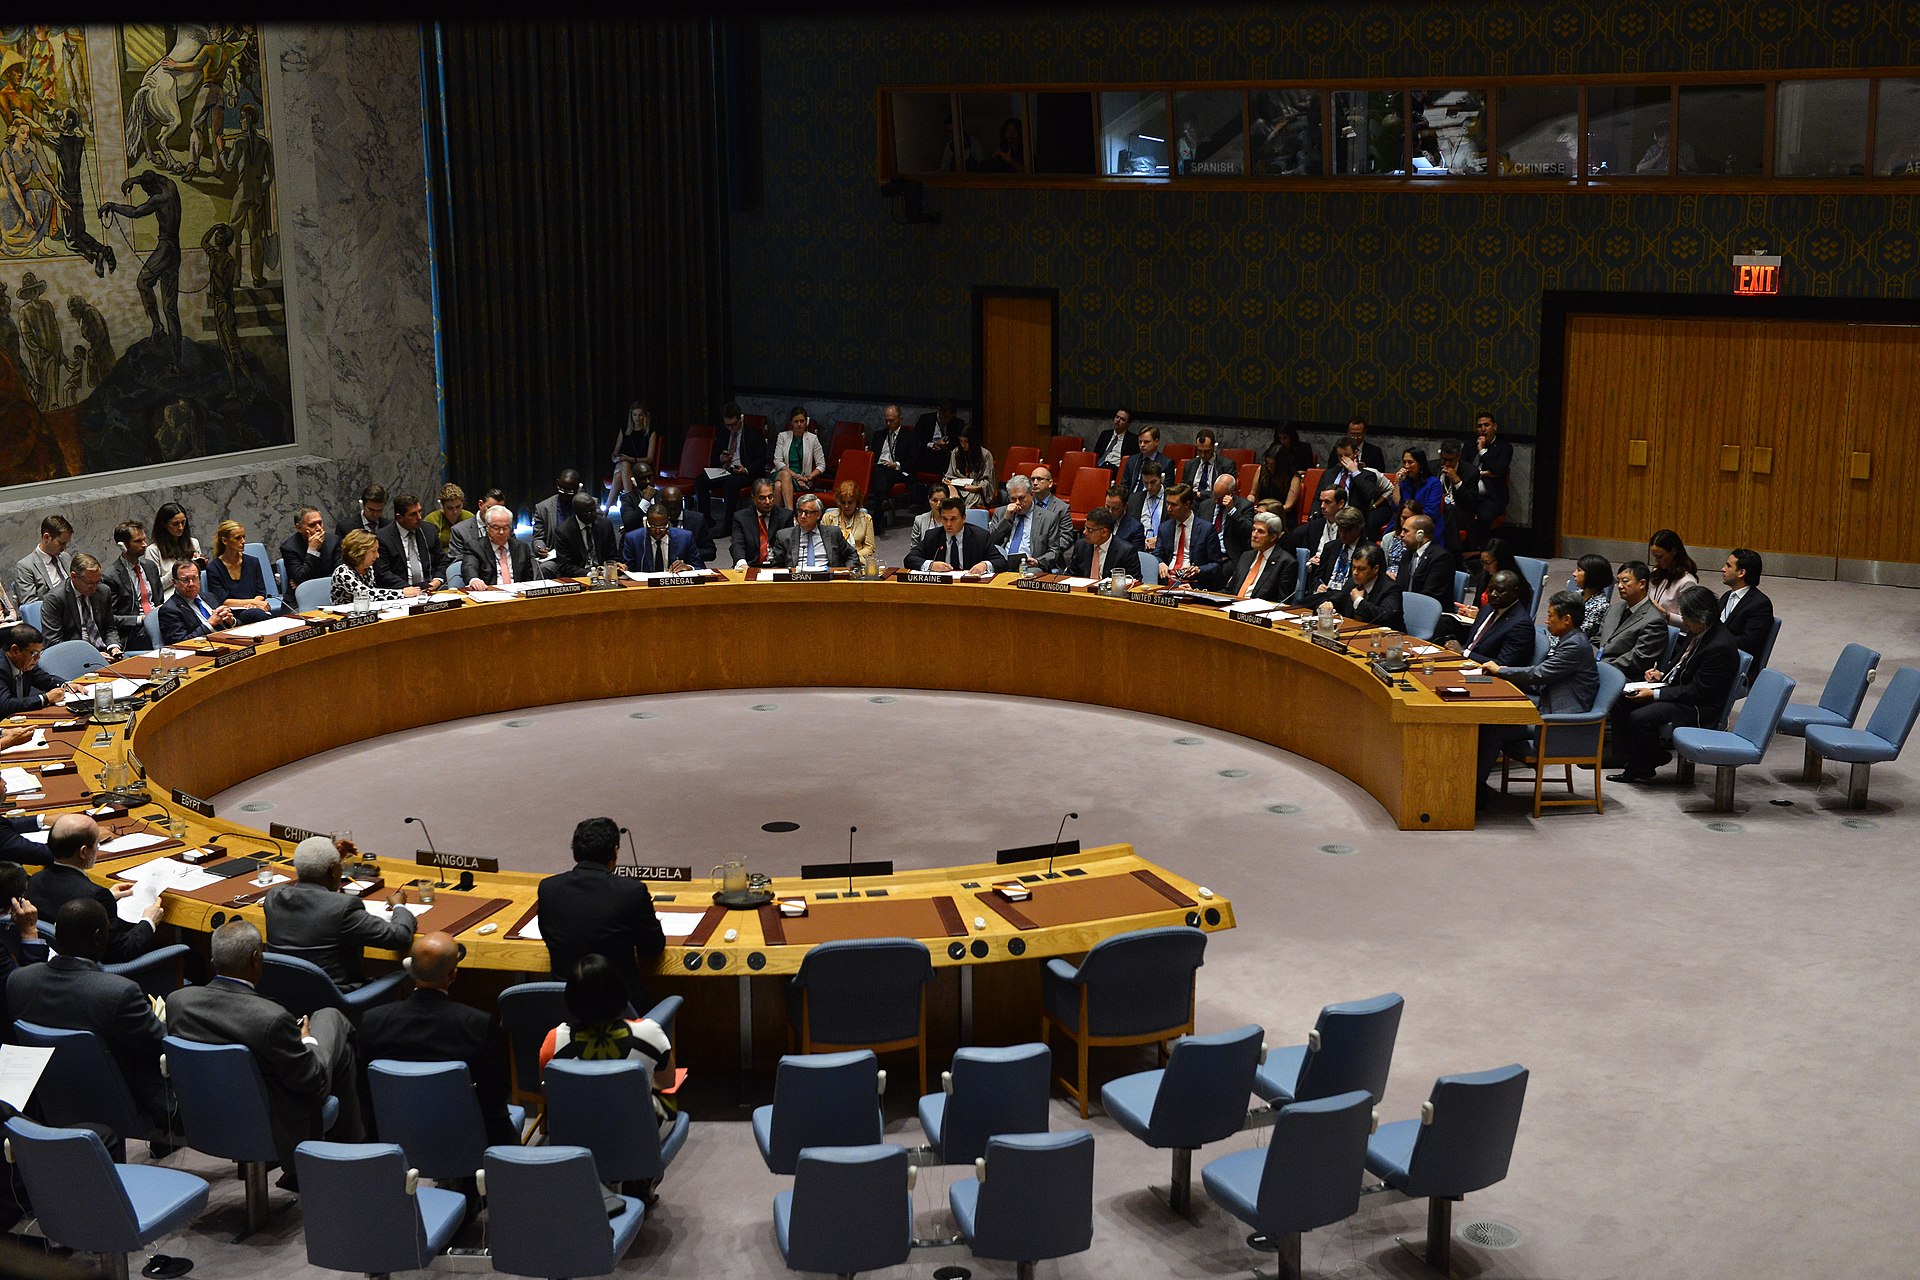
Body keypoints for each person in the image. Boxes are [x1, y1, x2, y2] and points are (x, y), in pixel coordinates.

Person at [167, 919, 364, 1189]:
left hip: (207, 1114)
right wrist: (307, 1041)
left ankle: (339, 1160)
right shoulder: (271, 1019)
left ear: (214, 960)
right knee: (332, 1021)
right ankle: (350, 1159)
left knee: (337, 1045)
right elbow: (313, 1083)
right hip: (273, 1122)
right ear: (256, 958)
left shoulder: (179, 1002)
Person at [7, 899, 170, 1132]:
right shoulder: (118, 992)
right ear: (97, 937)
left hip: (49, 1098)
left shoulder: (19, 981)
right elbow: (160, 1044)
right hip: (117, 1100)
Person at [357, 931, 517, 1147]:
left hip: (394, 1139)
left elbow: (364, 1091)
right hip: (464, 1143)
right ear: (453, 975)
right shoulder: (477, 1025)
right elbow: (497, 1092)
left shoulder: (373, 1022)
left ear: (411, 970)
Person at [538, 954, 677, 1145]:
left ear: (570, 999)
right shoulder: (650, 1034)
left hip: (576, 1137)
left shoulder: (554, 1042)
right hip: (637, 1138)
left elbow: (550, 1095)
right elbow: (667, 1082)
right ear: (620, 993)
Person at [1610, 584, 1740, 784]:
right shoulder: (1698, 630)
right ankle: (1634, 757)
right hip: (1680, 691)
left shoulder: (1719, 646)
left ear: (1702, 616)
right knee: (1621, 699)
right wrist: (1661, 675)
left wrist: (1653, 694)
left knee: (1640, 717)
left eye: (1686, 616)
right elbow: (1681, 664)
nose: (1684, 622)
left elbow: (1698, 692)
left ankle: (1643, 764)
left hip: (1698, 706)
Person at [1477, 591, 1600, 802]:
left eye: (1551, 615)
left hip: (1559, 723)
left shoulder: (1575, 646)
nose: (1546, 620)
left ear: (1567, 619)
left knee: (1492, 727)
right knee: (1489, 720)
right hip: (1548, 706)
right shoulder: (1569, 639)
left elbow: (1539, 674)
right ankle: (1475, 785)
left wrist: (1501, 670)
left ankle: (1475, 790)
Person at [536, 818, 666, 1010]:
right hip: (620, 1008)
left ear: (575, 852)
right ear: (615, 851)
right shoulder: (632, 892)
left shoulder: (548, 888)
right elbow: (652, 949)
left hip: (567, 1006)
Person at [264, 836, 415, 992]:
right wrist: (399, 906)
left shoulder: (274, 897)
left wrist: (329, 861)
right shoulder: (343, 907)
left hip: (284, 994)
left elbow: (305, 890)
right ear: (335, 870)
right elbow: (399, 937)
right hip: (336, 999)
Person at [26, 814, 163, 964]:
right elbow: (120, 951)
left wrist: (106, 897)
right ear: (83, 852)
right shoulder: (97, 896)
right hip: (103, 975)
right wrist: (149, 921)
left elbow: (66, 899)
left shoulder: (34, 880)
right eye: (97, 844)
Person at [1595, 560, 1668, 682]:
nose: (1619, 586)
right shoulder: (1614, 609)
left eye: (1625, 581)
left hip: (1622, 676)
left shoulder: (1654, 621)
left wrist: (1600, 668)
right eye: (1618, 581)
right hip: (1597, 668)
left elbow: (1638, 659)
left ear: (1642, 584)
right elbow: (1597, 640)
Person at [36, 553, 122, 657]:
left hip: (105, 653)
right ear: (74, 576)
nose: (95, 588)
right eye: (90, 583)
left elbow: (110, 628)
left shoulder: (103, 591)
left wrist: (114, 646)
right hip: (75, 657)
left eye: (98, 582)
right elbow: (53, 642)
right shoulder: (55, 599)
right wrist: (91, 655)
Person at [1442, 570, 1533, 666]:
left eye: (1500, 591)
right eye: (1490, 590)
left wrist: (1464, 653)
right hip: (1464, 662)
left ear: (1515, 592)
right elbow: (1473, 641)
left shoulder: (1521, 625)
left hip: (1486, 673)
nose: (1493, 594)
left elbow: (1504, 664)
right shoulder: (1487, 608)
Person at [989, 475, 1067, 572]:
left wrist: (1038, 561)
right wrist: (1006, 519)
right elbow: (990, 542)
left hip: (1031, 566)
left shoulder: (1048, 518)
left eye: (1021, 498)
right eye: (1013, 499)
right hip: (1003, 563)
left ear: (1032, 495)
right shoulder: (1001, 512)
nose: (1017, 502)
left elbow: (1054, 551)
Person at [906, 497, 1002, 575]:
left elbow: (1001, 562)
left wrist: (985, 565)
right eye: (944, 519)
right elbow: (910, 559)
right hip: (941, 587)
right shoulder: (933, 536)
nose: (948, 524)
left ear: (963, 518)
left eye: (953, 519)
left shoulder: (980, 536)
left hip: (970, 587)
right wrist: (931, 565)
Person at [704, 402, 766, 520]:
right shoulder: (723, 432)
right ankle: (705, 521)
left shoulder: (753, 433)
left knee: (730, 484)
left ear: (740, 419)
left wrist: (746, 469)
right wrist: (722, 458)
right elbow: (714, 458)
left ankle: (728, 524)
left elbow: (761, 460)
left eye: (733, 424)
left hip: (744, 472)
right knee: (701, 480)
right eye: (728, 425)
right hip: (725, 470)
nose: (731, 428)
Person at [374, 494, 449, 591]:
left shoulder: (428, 530)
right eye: (413, 514)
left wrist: (437, 580)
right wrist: (408, 589)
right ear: (399, 517)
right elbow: (382, 573)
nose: (419, 517)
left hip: (431, 589)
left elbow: (442, 561)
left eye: (419, 511)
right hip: (400, 591)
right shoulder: (383, 537)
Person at [203, 519, 275, 620]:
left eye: (243, 537)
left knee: (258, 613)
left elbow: (261, 592)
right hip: (232, 612)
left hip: (255, 608)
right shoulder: (214, 568)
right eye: (238, 538)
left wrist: (254, 604)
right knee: (257, 615)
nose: (243, 541)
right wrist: (253, 603)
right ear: (225, 541)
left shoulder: (253, 562)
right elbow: (222, 600)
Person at [1719, 548, 1775, 672]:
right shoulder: (1726, 596)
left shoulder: (1760, 604)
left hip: (1735, 667)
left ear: (1741, 572)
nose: (1723, 569)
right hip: (1718, 657)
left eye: (1728, 566)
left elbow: (1747, 642)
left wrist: (1714, 638)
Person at [331, 529, 423, 605]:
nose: (377, 556)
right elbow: (366, 594)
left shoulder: (368, 569)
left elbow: (374, 591)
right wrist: (402, 593)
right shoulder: (342, 572)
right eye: (373, 551)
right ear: (360, 552)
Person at [104, 522, 162, 638]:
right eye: (138, 541)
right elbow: (111, 619)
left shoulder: (150, 566)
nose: (145, 545)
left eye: (144, 540)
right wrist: (141, 619)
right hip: (136, 630)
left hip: (159, 621)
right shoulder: (111, 576)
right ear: (123, 546)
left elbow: (159, 601)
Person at [1155, 483, 1219, 586]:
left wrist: (1199, 570)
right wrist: (1160, 563)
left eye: (1174, 504)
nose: (1169, 508)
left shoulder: (1206, 529)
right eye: (1168, 503)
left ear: (1187, 505)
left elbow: (1216, 565)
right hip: (1166, 578)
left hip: (1192, 582)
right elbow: (1157, 554)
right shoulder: (1164, 527)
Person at [773, 494, 859, 569]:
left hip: (827, 579)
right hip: (797, 581)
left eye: (807, 512)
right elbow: (776, 565)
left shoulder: (833, 533)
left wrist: (847, 571)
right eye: (800, 511)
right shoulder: (784, 536)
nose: (803, 516)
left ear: (818, 515)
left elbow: (852, 555)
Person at [1224, 510, 1295, 601]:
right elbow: (1229, 590)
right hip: (1231, 606)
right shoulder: (1246, 556)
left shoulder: (1286, 562)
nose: (1254, 535)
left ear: (1273, 537)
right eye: (1254, 530)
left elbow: (1282, 602)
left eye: (1260, 531)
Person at [1464, 413, 1513, 542]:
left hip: (1491, 496)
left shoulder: (1504, 447)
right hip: (1469, 494)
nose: (1483, 429)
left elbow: (1499, 470)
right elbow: (1463, 469)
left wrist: (1482, 451)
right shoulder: (1469, 446)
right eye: (1480, 426)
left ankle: (1480, 548)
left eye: (1487, 425)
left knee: (1484, 516)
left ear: (1494, 427)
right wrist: (1485, 473)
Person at [1331, 542, 1403, 630]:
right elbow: (1339, 599)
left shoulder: (1391, 588)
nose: (1355, 573)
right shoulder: (1352, 582)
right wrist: (1330, 603)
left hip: (1386, 638)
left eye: (1361, 569)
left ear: (1375, 569)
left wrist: (1359, 601)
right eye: (1353, 567)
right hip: (1354, 632)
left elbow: (1384, 617)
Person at [158, 561, 236, 641]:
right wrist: (210, 624)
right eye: (185, 580)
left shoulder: (210, 597)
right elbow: (179, 642)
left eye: (195, 578)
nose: (191, 584)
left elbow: (237, 624)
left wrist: (231, 621)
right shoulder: (170, 610)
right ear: (174, 582)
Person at [0, 623, 68, 713]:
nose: (38, 658)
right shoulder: (2, 668)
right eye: (34, 653)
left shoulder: (24, 663)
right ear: (15, 650)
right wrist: (45, 698)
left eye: (39, 653)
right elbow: (6, 705)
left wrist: (67, 685)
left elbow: (43, 678)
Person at [463, 506, 538, 587]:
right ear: (487, 527)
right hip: (490, 593)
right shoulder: (475, 547)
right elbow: (469, 567)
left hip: (518, 595)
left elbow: (528, 578)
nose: (501, 532)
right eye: (496, 527)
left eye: (505, 528)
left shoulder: (522, 548)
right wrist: (474, 580)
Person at [866, 404, 917, 522]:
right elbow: (873, 456)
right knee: (877, 471)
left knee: (884, 477)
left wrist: (896, 464)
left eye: (892, 420)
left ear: (900, 419)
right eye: (886, 420)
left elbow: (913, 462)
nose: (888, 424)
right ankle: (883, 501)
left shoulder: (910, 436)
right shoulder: (879, 435)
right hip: (880, 468)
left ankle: (878, 513)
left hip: (899, 470)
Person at [550, 492, 620, 578]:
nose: (593, 514)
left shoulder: (605, 524)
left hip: (604, 574)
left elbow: (612, 555)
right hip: (579, 576)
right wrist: (591, 574)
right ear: (576, 512)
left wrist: (612, 567)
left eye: (594, 510)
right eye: (588, 512)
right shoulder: (563, 531)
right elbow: (565, 566)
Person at [729, 479, 794, 571]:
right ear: (753, 498)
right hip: (751, 565)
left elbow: (790, 546)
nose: (768, 502)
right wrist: (742, 563)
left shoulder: (785, 516)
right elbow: (737, 544)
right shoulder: (741, 517)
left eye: (770, 497)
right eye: (762, 498)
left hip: (777, 566)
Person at [1304, 505, 1367, 600]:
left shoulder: (1369, 551)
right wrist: (1318, 585)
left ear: (1358, 529)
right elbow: (1317, 576)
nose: (1342, 535)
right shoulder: (1330, 547)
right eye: (1340, 530)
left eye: (1347, 531)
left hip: (1348, 598)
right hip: (1325, 595)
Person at [1394, 513, 1456, 607]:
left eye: (1406, 531)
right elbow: (1399, 587)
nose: (1401, 535)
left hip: (1429, 613)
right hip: (1406, 609)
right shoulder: (1407, 555)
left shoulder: (1441, 558)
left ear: (1420, 534)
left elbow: (1430, 595)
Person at [144, 502, 203, 599]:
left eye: (183, 522)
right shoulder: (153, 550)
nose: (180, 527)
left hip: (195, 595)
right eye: (175, 524)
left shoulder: (193, 543)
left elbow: (198, 578)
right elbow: (155, 588)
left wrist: (200, 565)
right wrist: (178, 571)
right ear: (164, 525)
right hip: (170, 598)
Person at [8, 515, 71, 605]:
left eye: (66, 543)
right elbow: (30, 605)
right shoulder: (25, 566)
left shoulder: (65, 557)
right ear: (46, 538)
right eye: (61, 543)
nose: (64, 548)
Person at [771, 407, 826, 511]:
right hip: (781, 473)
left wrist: (808, 478)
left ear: (806, 422)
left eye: (802, 421)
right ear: (791, 423)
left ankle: (777, 521)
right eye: (796, 421)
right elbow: (778, 461)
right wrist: (796, 476)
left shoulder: (813, 439)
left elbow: (821, 465)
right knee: (784, 474)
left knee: (778, 486)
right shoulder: (782, 436)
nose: (799, 424)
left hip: (802, 478)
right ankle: (790, 512)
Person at [1389, 449, 1446, 547]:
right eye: (1404, 462)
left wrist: (1409, 520)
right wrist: (1397, 483)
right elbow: (1397, 507)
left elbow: (1431, 512)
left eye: (1410, 462)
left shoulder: (1433, 483)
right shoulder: (1404, 481)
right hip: (1402, 522)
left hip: (1424, 524)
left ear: (1420, 464)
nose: (1406, 466)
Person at [1065, 506, 1141, 580]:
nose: (1085, 532)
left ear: (1104, 532)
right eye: (1085, 527)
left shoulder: (1126, 551)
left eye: (1090, 530)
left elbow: (1134, 582)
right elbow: (1070, 575)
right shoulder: (1081, 546)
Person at [1205, 474, 1254, 587]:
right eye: (1215, 496)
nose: (1216, 501)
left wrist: (1232, 511)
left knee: (1220, 576)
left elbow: (1248, 531)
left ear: (1231, 494)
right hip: (1206, 555)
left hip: (1228, 557)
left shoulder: (1244, 506)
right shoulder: (1205, 505)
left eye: (1220, 498)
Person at [280, 506, 342, 591]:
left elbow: (340, 574)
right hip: (299, 598)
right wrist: (312, 550)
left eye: (320, 523)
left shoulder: (334, 541)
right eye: (312, 525)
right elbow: (301, 578)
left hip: (331, 592)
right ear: (299, 528)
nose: (319, 528)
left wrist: (311, 584)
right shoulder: (289, 548)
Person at [446, 489, 508, 574]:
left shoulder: (505, 527)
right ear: (480, 504)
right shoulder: (460, 530)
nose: (495, 513)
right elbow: (456, 562)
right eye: (490, 508)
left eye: (500, 509)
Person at [626, 505, 701, 573]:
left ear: (668, 522)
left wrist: (689, 568)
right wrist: (623, 568)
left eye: (662, 526)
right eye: (652, 526)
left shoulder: (685, 538)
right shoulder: (633, 539)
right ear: (645, 523)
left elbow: (700, 568)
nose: (657, 531)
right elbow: (627, 570)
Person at [1645, 529, 1699, 624]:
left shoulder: (1687, 582)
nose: (1657, 561)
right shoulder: (1657, 572)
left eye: (1660, 556)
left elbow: (1692, 623)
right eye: (1655, 557)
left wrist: (1666, 614)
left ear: (1673, 551)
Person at [822, 480, 876, 572]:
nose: (846, 506)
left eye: (850, 502)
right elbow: (822, 544)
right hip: (834, 562)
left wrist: (853, 557)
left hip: (858, 561)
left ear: (857, 502)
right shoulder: (828, 517)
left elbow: (870, 547)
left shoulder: (866, 519)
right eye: (843, 502)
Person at [610, 401, 659, 500]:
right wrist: (615, 458)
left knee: (620, 474)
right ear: (631, 416)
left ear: (645, 416)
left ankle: (610, 508)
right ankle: (631, 501)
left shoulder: (650, 432)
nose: (637, 418)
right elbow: (615, 453)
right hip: (624, 464)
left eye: (640, 415)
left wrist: (630, 459)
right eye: (634, 415)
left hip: (642, 467)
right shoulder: (624, 431)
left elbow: (649, 459)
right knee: (624, 464)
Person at [656, 487, 716, 566]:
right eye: (669, 508)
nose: (673, 512)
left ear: (682, 503)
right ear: (662, 504)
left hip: (690, 567)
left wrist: (687, 555)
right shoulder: (655, 521)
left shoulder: (697, 520)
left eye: (676, 507)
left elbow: (711, 552)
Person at [1436, 439, 1477, 552]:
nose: (1447, 464)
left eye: (1451, 460)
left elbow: (1471, 503)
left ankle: (1454, 554)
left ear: (1458, 456)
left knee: (1450, 510)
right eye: (1444, 459)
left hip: (1460, 513)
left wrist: (1457, 482)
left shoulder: (1471, 472)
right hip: (1435, 510)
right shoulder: (1432, 467)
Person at [530, 471, 583, 558]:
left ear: (578, 488)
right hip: (556, 556)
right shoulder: (543, 508)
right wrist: (539, 549)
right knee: (543, 569)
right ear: (557, 482)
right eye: (561, 488)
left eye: (569, 491)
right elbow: (538, 538)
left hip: (583, 555)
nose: (564, 493)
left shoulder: (589, 504)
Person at [1124, 461, 1170, 554]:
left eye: (1153, 482)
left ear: (1161, 478)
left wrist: (1158, 540)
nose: (1149, 487)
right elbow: (1128, 526)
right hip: (1138, 548)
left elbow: (1175, 527)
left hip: (1163, 548)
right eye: (1146, 483)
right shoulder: (1134, 499)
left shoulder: (1171, 498)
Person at [942, 427, 995, 509]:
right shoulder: (956, 452)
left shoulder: (985, 455)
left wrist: (978, 488)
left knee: (973, 498)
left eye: (966, 441)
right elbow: (950, 475)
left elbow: (988, 480)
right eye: (961, 441)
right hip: (957, 488)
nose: (963, 445)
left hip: (975, 488)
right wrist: (949, 484)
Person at [1570, 554, 1614, 641]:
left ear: (1591, 575)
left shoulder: (1600, 605)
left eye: (1579, 570)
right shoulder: (1578, 594)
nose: (1574, 574)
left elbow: (1581, 634)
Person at [1120, 425, 1173, 496]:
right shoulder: (1132, 460)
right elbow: (1124, 486)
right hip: (1131, 499)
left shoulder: (1166, 463)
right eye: (1140, 442)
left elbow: (1167, 491)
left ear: (1156, 442)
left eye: (1146, 442)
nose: (1142, 445)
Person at [423, 483, 472, 556]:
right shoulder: (431, 520)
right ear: (442, 506)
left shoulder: (469, 518)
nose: (455, 512)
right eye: (450, 508)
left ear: (462, 503)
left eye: (458, 507)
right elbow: (427, 549)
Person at [1250, 443, 1300, 512]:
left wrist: (1269, 511)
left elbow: (1288, 506)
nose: (1269, 467)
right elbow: (1252, 494)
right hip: (1261, 511)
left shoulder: (1294, 477)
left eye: (1273, 465)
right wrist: (1250, 502)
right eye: (1267, 464)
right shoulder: (1262, 470)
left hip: (1282, 513)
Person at [914, 399, 964, 467]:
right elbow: (915, 442)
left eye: (950, 418)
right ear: (939, 411)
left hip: (947, 455)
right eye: (945, 417)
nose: (947, 420)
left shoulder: (957, 423)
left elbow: (959, 444)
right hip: (927, 454)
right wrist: (933, 444)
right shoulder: (925, 420)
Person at [1181, 430, 1226, 495]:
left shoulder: (1226, 465)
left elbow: (1224, 491)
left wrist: (1201, 494)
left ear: (1214, 447)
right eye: (1199, 451)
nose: (1202, 455)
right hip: (1191, 502)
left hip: (1212, 501)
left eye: (1206, 451)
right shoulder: (1189, 465)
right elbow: (1184, 489)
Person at [909, 482, 951, 546]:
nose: (938, 505)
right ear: (929, 499)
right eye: (935, 500)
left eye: (942, 500)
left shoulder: (955, 520)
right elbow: (914, 549)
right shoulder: (919, 520)